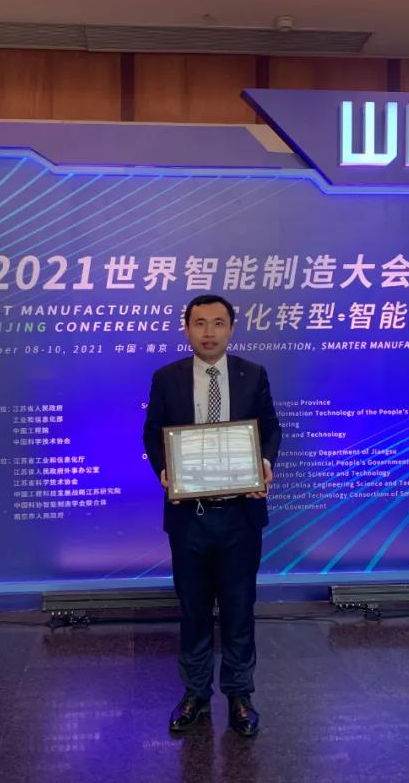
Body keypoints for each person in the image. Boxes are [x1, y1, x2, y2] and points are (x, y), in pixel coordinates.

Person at [143, 294, 282, 737]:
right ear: (186, 329)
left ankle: (240, 695)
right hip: (190, 518)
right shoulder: (167, 378)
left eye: (218, 323)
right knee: (194, 609)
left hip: (240, 516)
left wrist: (264, 462)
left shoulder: (252, 374)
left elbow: (270, 427)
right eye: (199, 323)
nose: (209, 332)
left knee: (239, 609)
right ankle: (195, 693)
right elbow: (152, 433)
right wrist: (165, 471)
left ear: (231, 329)